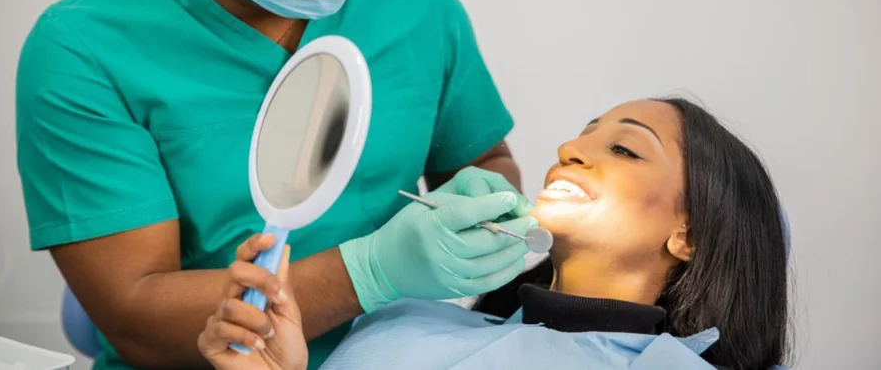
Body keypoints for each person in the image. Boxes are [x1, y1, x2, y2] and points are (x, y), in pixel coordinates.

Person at [14, 0, 537, 370]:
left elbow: (483, 159)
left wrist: (490, 203)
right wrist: (372, 271)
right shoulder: (84, 48)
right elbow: (136, 319)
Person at [198, 98, 791, 370]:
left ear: (688, 235)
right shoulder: (403, 324)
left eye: (623, 147)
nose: (569, 150)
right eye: (583, 132)